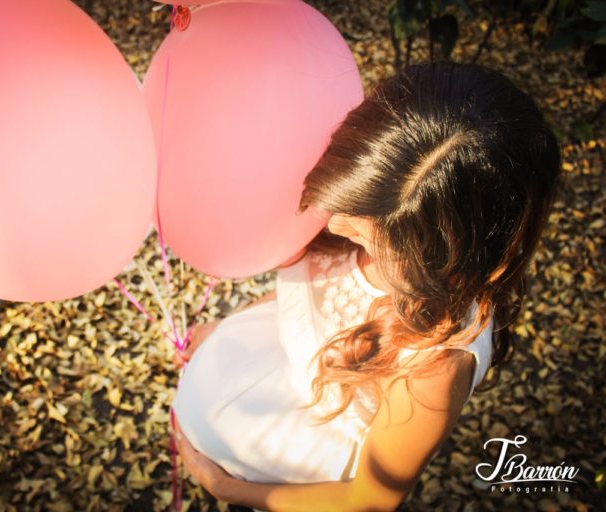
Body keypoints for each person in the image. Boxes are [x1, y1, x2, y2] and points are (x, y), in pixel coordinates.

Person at [169, 61, 562, 511]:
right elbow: (320, 293)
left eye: (368, 229)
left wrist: (227, 489)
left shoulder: (438, 363)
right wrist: (232, 323)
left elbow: (369, 500)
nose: (334, 222)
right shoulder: (362, 204)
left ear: (443, 253)